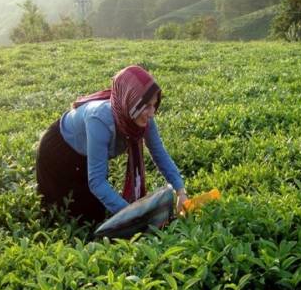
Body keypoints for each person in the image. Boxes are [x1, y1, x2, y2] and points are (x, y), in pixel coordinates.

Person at [36, 65, 188, 224]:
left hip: (85, 155)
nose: (152, 113)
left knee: (97, 214)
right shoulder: (100, 119)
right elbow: (97, 181)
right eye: (147, 106)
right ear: (132, 102)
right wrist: (134, 215)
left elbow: (159, 154)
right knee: (68, 216)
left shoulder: (142, 118)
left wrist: (180, 191)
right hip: (58, 153)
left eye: (154, 105)